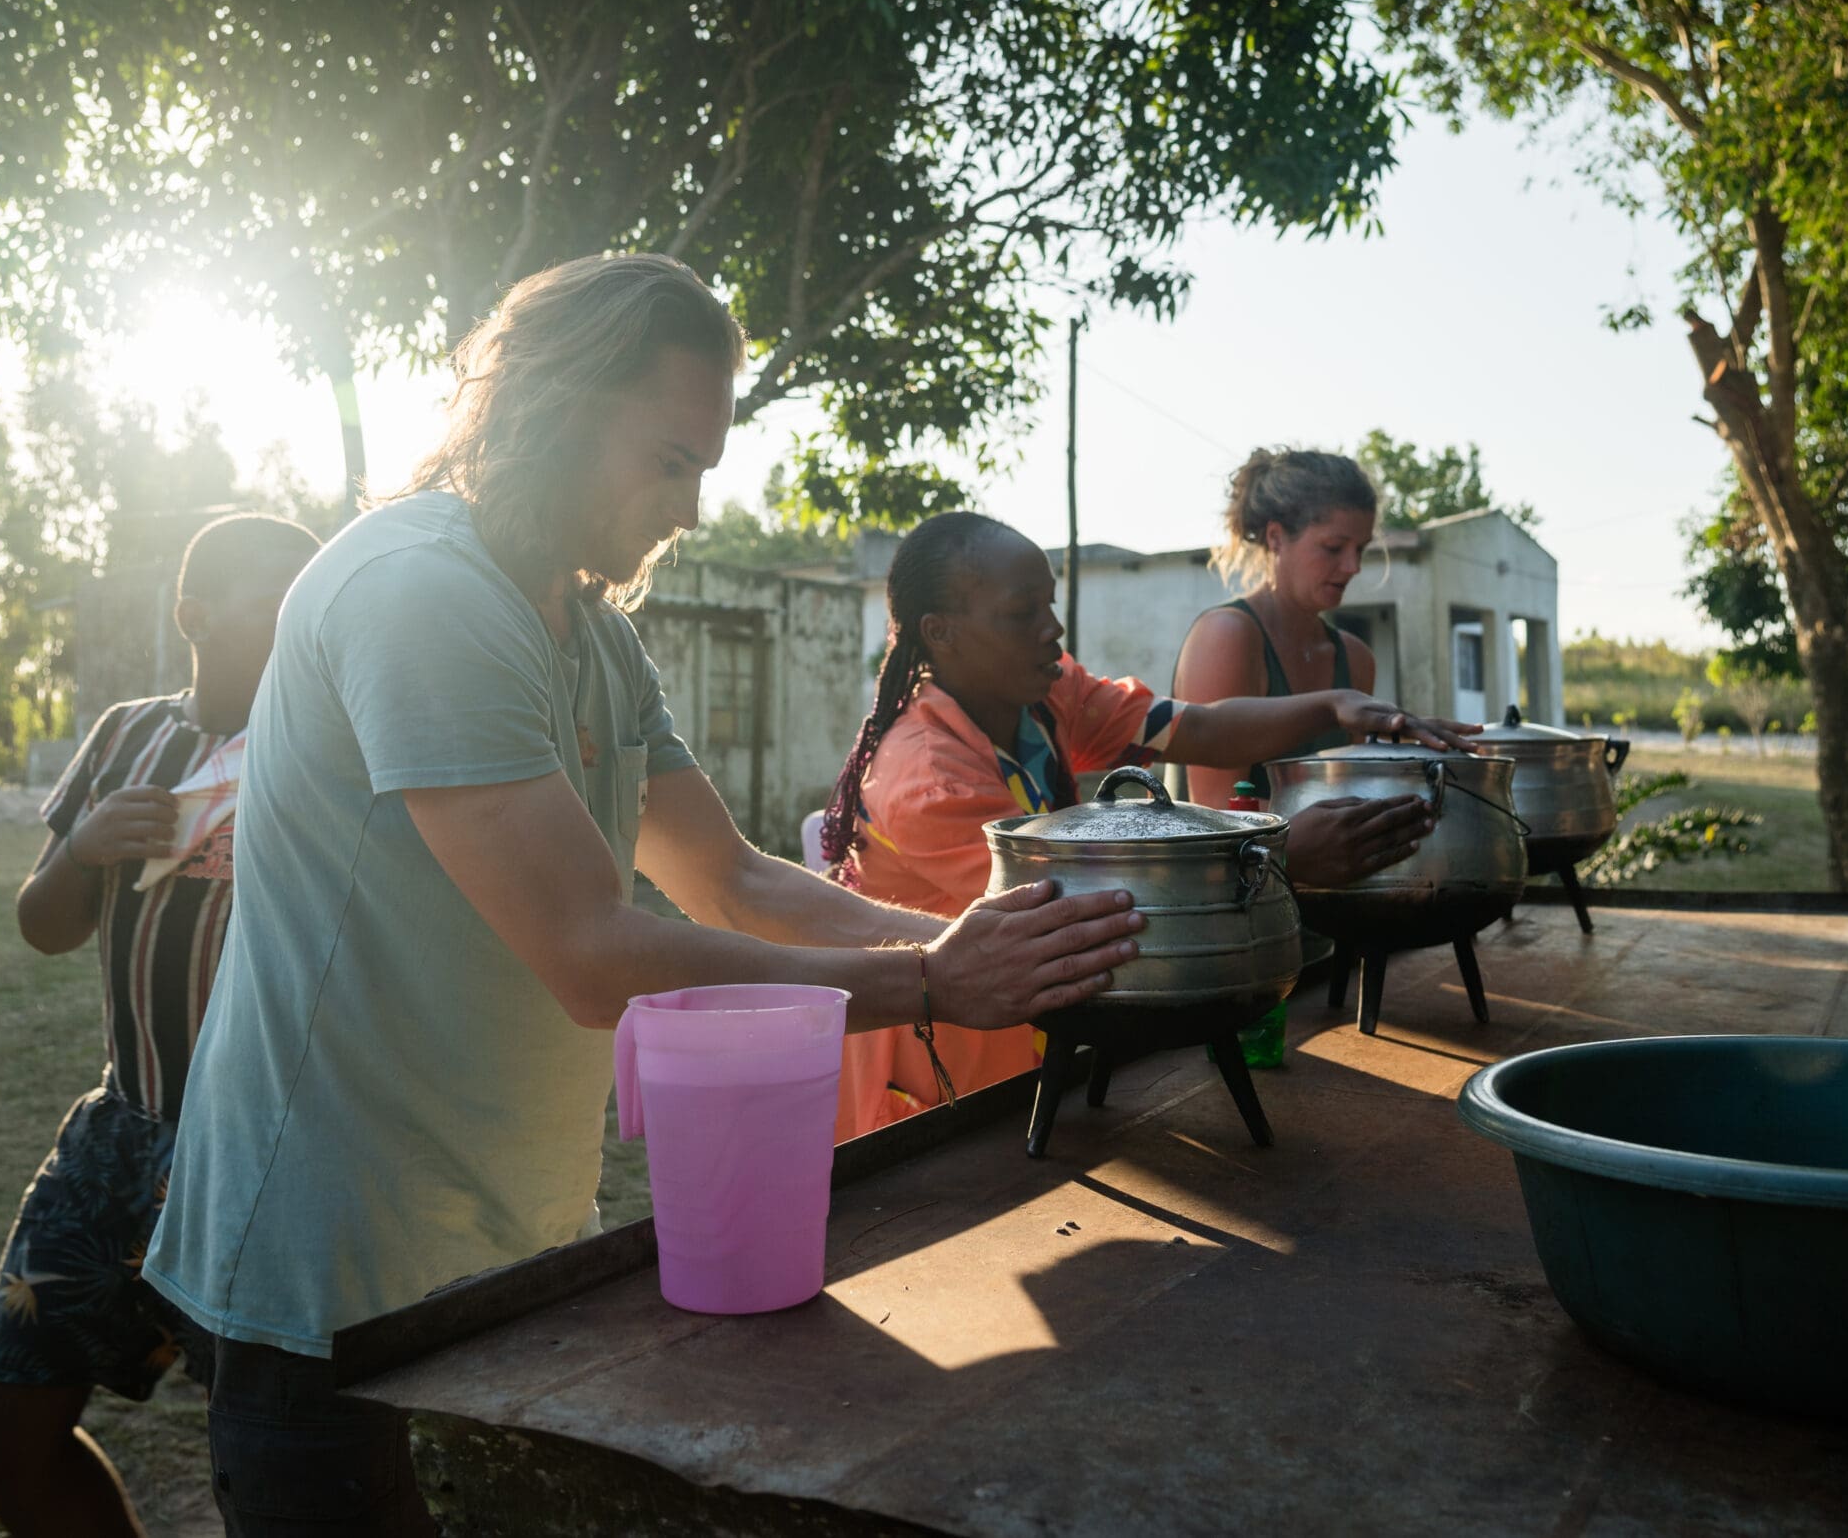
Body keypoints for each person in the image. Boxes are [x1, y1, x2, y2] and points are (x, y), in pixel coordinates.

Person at [140, 254, 1144, 1535]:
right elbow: (588, 951)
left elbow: (725, 878)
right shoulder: (419, 590)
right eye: (668, 461)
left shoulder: (589, 629)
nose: (686, 506)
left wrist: (961, 942)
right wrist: (932, 980)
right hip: (328, 1248)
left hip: (497, 1232)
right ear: (551, 409)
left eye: (703, 470)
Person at [817, 511, 1470, 1139]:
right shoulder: (927, 776)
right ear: (941, 632)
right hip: (954, 1087)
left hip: (1042, 1047)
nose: (1053, 628)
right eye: (1023, 613)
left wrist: (1335, 703)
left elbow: (1196, 727)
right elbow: (1068, 919)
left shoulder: (1044, 694)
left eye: (1050, 603)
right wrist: (1279, 857)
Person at [0, 513, 321, 1538]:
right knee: (1, 1427)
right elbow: (43, 925)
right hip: (125, 1131)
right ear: (191, 615)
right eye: (276, 604)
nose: (305, 625)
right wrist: (83, 846)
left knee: (275, 1464)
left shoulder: (330, 747)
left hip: (267, 1158)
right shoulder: (128, 736)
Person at [1173, 447, 1430, 888]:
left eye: (1361, 549)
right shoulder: (1228, 637)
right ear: (1276, 537)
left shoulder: (1354, 657)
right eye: (1333, 548)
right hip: (1226, 911)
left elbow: (1347, 797)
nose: (1352, 567)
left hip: (1325, 912)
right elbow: (1214, 821)